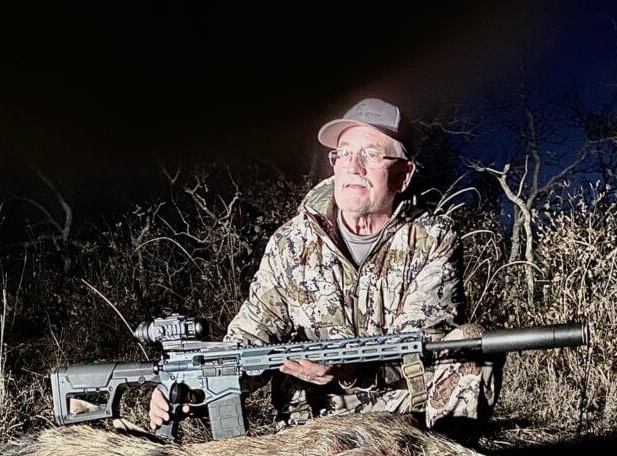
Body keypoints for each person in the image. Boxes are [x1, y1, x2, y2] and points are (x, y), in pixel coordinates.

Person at [149, 98, 497, 433]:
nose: (352, 166)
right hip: (311, 425)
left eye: (370, 154)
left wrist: (351, 372)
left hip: (406, 416)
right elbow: (248, 341)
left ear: (403, 175)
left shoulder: (432, 237)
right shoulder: (290, 241)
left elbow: (427, 344)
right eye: (343, 154)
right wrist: (190, 388)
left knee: (471, 342)